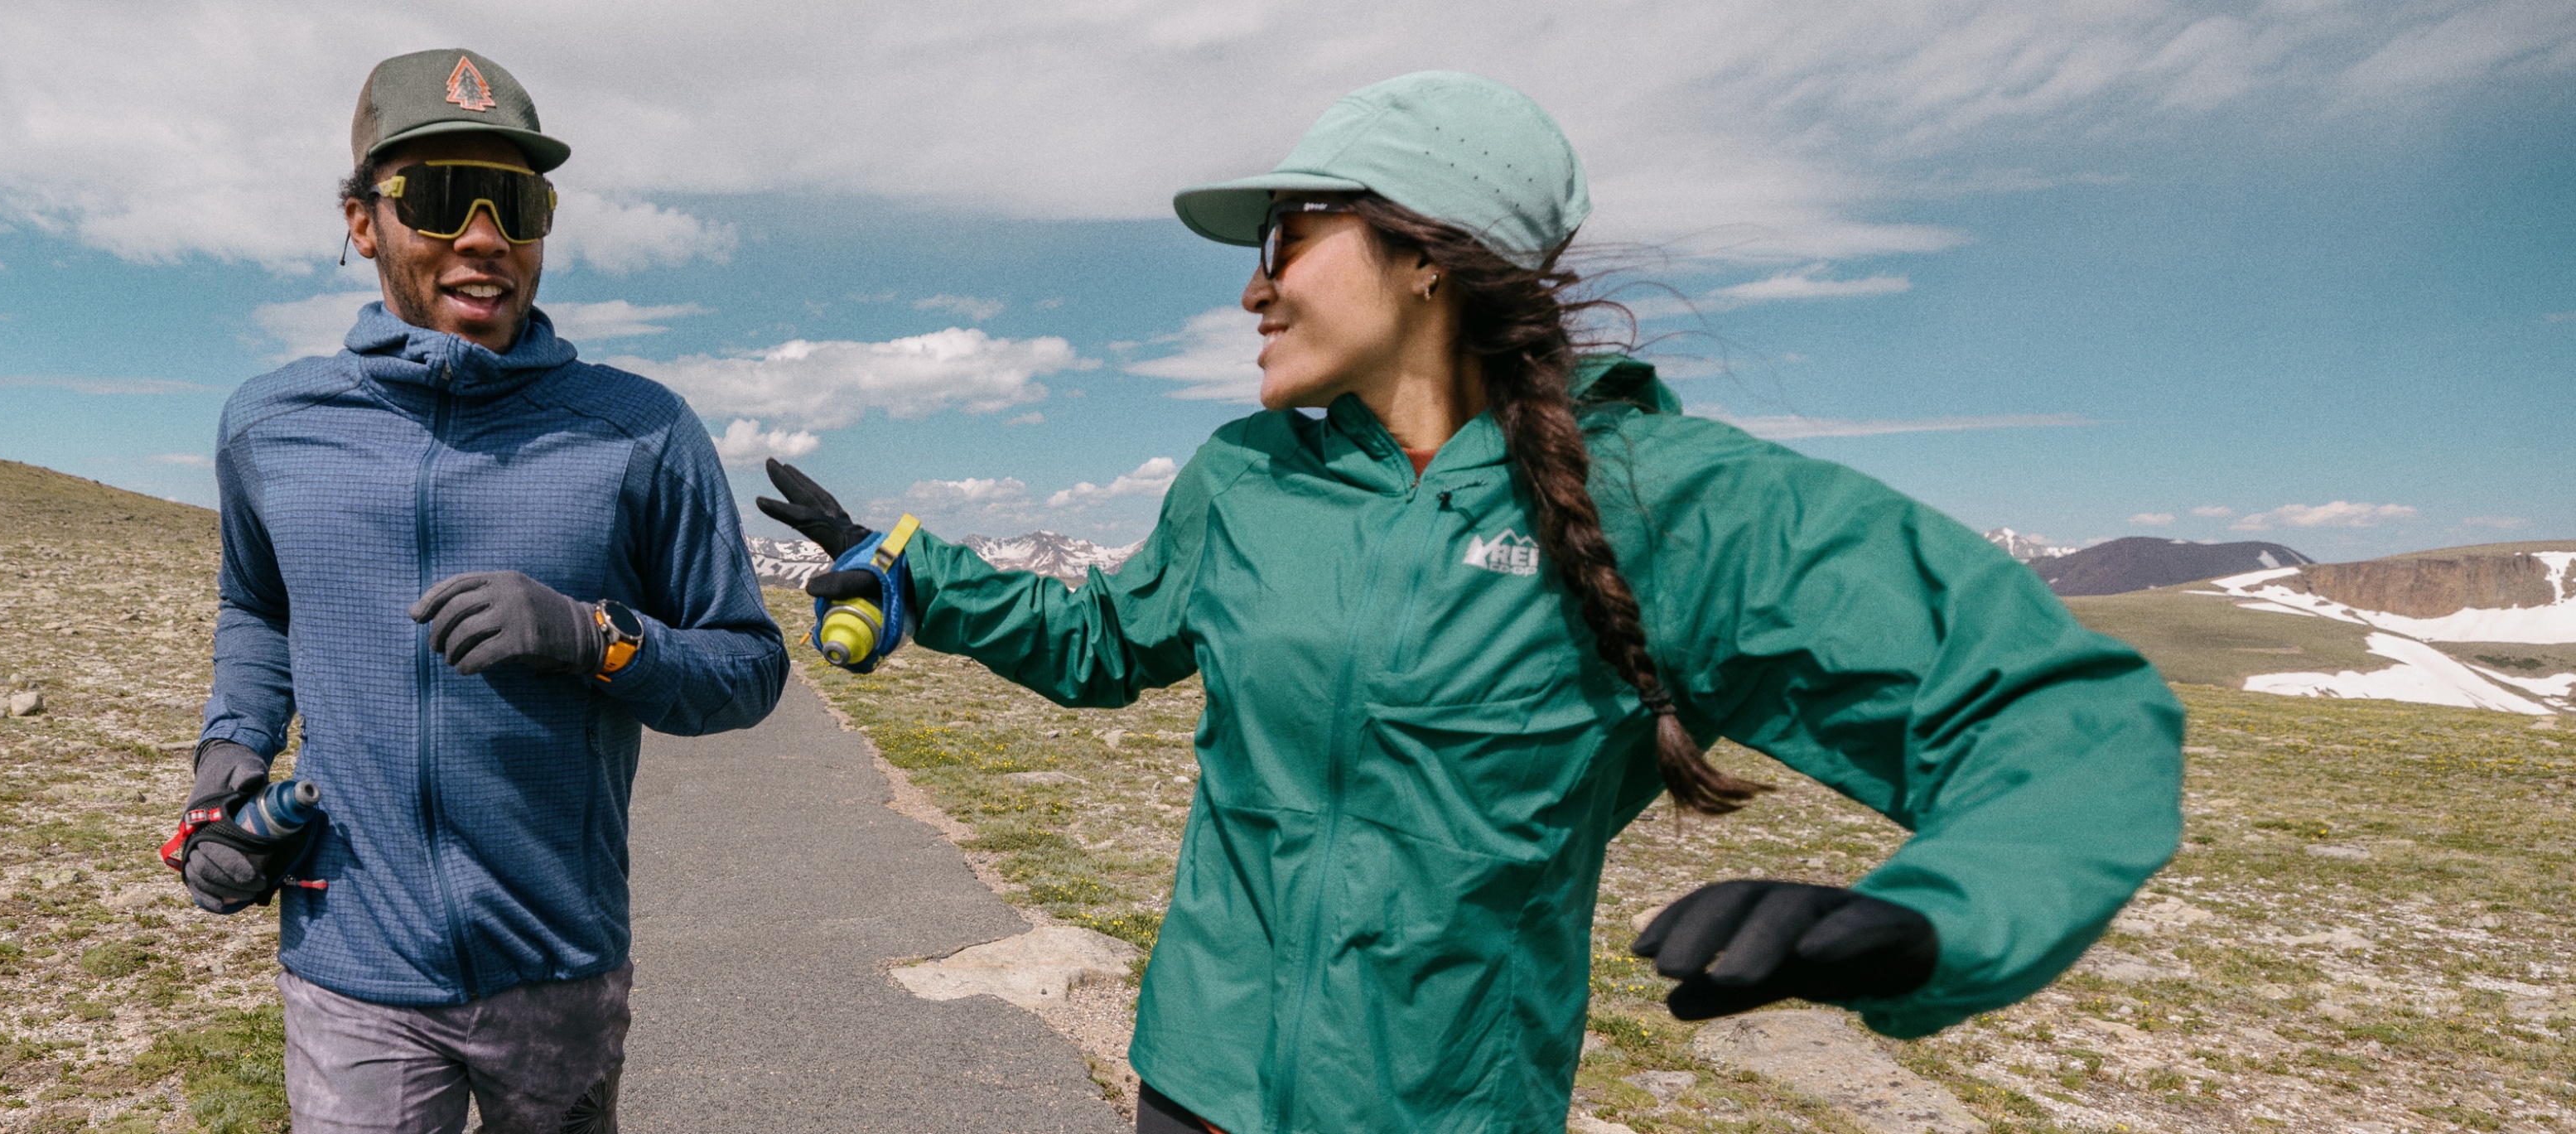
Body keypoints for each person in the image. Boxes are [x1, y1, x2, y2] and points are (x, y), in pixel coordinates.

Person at [759, 72, 2182, 1134]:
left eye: (1287, 238)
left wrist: (1938, 918)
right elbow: (1106, 640)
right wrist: (918, 570)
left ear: (1426, 253)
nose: (1253, 288)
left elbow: (2067, 717)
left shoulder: (1670, 502)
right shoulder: (1249, 475)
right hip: (1193, 1081)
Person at [172, 47, 786, 1134]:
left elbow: (745, 668)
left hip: (556, 966)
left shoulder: (640, 431)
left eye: (519, 201)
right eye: (445, 197)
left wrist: (591, 634)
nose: (487, 237)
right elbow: (259, 608)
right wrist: (231, 757)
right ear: (363, 219)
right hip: (350, 961)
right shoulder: (270, 425)